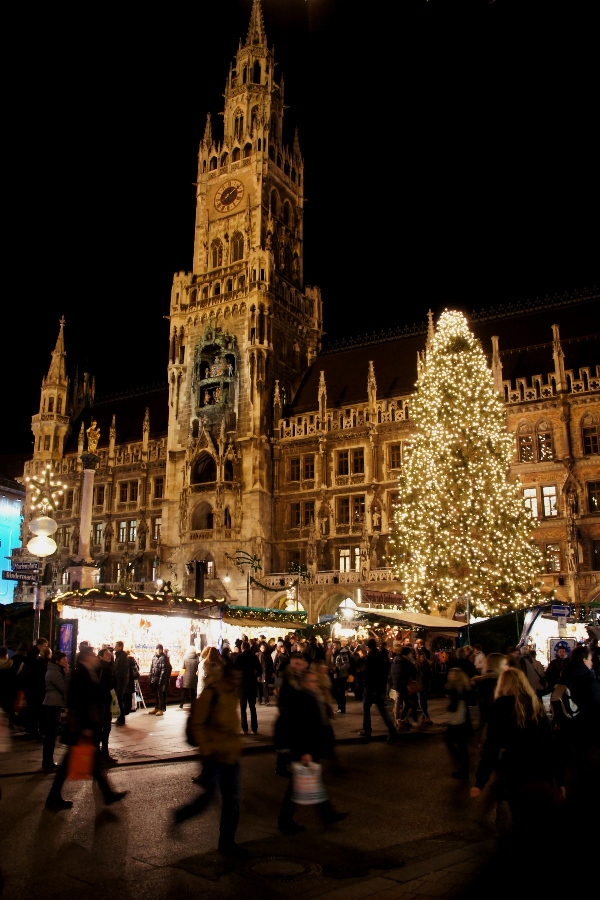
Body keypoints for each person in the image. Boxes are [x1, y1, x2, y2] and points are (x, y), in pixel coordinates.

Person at [470, 667, 565, 838]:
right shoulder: (535, 704)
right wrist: (561, 780)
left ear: (503, 685)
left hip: (517, 775)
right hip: (542, 774)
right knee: (542, 824)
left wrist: (480, 781)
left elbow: (491, 748)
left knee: (521, 824)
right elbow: (551, 745)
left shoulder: (500, 707)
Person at [173, 663, 247, 857]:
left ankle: (227, 842)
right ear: (227, 676)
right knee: (208, 797)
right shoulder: (211, 694)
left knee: (232, 800)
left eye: (240, 679)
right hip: (214, 755)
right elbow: (197, 724)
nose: (237, 682)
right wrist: (206, 748)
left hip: (231, 755)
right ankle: (180, 815)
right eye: (235, 678)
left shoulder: (232, 694)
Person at [45, 646, 128, 810]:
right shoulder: (80, 673)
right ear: (86, 658)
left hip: (84, 726)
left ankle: (107, 794)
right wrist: (84, 726)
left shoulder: (88, 672)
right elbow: (76, 701)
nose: (95, 658)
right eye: (92, 655)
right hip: (81, 727)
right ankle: (54, 797)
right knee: (72, 764)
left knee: (90, 763)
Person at [274, 667, 346, 834]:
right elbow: (301, 728)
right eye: (313, 681)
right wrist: (304, 752)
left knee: (311, 783)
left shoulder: (312, 697)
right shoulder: (302, 699)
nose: (316, 684)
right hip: (304, 751)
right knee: (297, 787)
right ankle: (285, 821)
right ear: (305, 683)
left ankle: (327, 814)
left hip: (310, 749)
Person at [359, 639, 398, 741]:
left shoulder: (371, 658)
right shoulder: (380, 656)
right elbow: (384, 672)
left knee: (366, 708)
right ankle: (392, 730)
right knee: (383, 711)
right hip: (379, 688)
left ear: (368, 647)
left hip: (371, 688)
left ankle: (367, 729)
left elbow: (367, 673)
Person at [41, 651, 69, 769]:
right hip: (53, 704)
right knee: (51, 733)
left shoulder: (55, 670)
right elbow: (63, 687)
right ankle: (48, 761)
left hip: (52, 703)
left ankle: (47, 760)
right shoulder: (54, 672)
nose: (66, 662)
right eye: (63, 660)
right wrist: (67, 675)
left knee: (51, 733)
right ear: (57, 661)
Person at [444, 667, 472, 780]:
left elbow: (453, 706)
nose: (450, 675)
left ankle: (463, 767)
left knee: (451, 741)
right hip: (462, 719)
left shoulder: (455, 688)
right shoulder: (464, 687)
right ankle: (464, 768)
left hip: (456, 720)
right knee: (461, 745)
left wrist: (449, 706)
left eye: (452, 674)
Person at [473, 652, 507, 736]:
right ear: (498, 666)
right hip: (499, 726)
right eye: (505, 664)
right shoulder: (499, 683)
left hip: (487, 725)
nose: (508, 667)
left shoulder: (482, 682)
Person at [234, 641, 262, 734]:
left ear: (242, 648)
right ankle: (254, 728)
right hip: (252, 683)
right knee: (252, 707)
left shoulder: (239, 657)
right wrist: (255, 676)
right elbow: (260, 670)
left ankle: (244, 728)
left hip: (242, 684)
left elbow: (234, 670)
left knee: (243, 707)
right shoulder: (254, 657)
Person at [97, 647, 116, 760]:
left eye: (110, 655)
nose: (110, 656)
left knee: (107, 726)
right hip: (102, 699)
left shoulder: (109, 667)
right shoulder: (101, 668)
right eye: (107, 655)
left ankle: (104, 751)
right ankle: (101, 751)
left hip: (107, 699)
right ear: (101, 657)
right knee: (102, 726)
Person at [331, 639, 351, 714]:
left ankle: (342, 708)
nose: (334, 647)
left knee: (340, 692)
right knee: (337, 692)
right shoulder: (336, 653)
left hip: (341, 676)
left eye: (335, 645)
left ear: (339, 645)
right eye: (333, 645)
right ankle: (340, 707)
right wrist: (333, 654)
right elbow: (333, 662)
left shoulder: (343, 653)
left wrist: (338, 669)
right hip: (337, 675)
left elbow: (347, 665)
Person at [0, 647, 18, 730]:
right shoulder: (11, 664)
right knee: (8, 708)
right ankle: (9, 723)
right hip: (8, 690)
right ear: (6, 655)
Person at [148, 644, 168, 716]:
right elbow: (152, 668)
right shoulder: (154, 657)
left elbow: (163, 670)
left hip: (160, 679)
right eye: (157, 649)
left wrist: (161, 680)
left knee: (160, 694)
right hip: (154, 678)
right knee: (156, 694)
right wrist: (150, 678)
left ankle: (160, 708)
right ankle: (156, 707)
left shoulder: (164, 658)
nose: (158, 650)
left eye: (160, 649)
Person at [415, 649, 433, 724]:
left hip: (425, 685)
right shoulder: (416, 665)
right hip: (419, 685)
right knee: (421, 700)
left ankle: (423, 715)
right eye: (420, 657)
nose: (422, 658)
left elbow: (429, 676)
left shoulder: (427, 665)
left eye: (423, 657)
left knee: (424, 701)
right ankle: (426, 716)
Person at [113, 641, 129, 726]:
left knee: (119, 698)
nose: (115, 647)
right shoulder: (119, 656)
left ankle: (121, 717)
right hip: (119, 680)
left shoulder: (122, 657)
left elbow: (122, 670)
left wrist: (118, 678)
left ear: (120, 646)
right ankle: (120, 717)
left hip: (121, 681)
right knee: (118, 698)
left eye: (116, 646)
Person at [257, 641, 273, 706]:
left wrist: (270, 671)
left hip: (265, 673)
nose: (263, 649)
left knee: (265, 687)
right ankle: (259, 700)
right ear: (260, 648)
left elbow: (270, 664)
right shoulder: (257, 655)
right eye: (262, 648)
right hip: (259, 673)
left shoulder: (268, 655)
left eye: (264, 648)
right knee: (259, 687)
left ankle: (267, 700)